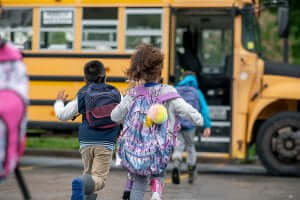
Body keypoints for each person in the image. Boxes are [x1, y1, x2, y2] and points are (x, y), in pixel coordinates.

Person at [111, 44, 209, 200]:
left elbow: (115, 116)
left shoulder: (133, 93)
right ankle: (156, 193)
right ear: (160, 71)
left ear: (139, 70)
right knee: (158, 173)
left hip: (138, 149)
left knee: (139, 181)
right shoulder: (168, 91)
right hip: (160, 146)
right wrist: (199, 119)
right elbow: (185, 109)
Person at [54, 60, 121, 200]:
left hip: (86, 141)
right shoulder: (115, 92)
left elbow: (63, 115)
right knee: (99, 180)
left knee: (88, 177)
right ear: (105, 75)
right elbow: (126, 112)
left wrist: (59, 101)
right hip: (106, 142)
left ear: (85, 78)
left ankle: (83, 192)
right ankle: (82, 186)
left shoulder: (83, 93)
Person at [171, 71, 211, 184]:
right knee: (190, 147)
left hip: (177, 125)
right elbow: (204, 110)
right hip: (190, 126)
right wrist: (207, 126)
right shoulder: (197, 92)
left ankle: (176, 164)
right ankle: (191, 169)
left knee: (178, 147)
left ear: (183, 78)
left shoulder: (175, 90)